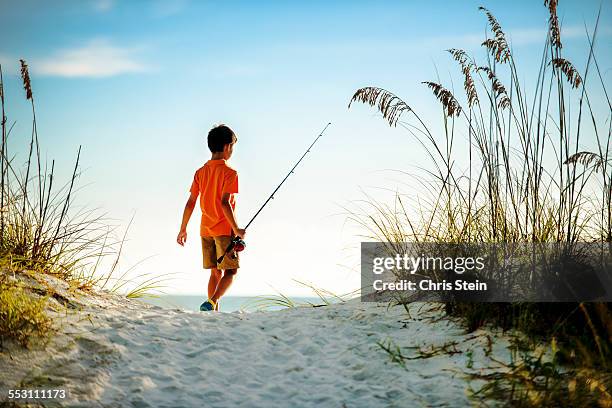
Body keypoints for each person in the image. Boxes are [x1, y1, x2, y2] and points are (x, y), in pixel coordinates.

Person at [176, 124, 245, 311]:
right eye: (232, 147)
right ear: (227, 147)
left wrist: (183, 229)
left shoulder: (200, 172)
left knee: (215, 272)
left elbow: (190, 202)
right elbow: (224, 203)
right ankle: (212, 301)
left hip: (205, 229)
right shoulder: (230, 173)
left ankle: (212, 310)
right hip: (223, 229)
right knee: (231, 271)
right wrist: (237, 229)